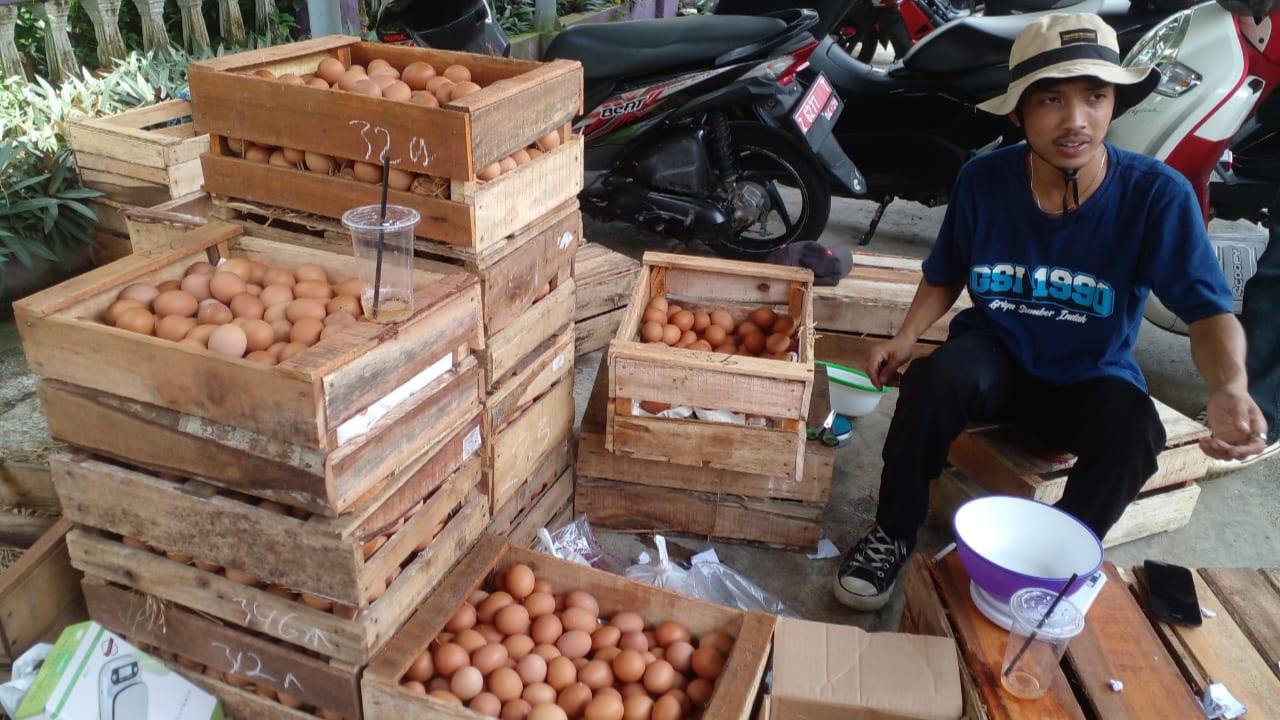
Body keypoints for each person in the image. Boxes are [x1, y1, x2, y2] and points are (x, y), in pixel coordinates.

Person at [832, 13, 1270, 612]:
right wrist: (907, 337)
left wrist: (1230, 385)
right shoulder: (982, 180)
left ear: (1114, 102)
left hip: (1091, 373)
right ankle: (893, 530)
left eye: (1095, 96)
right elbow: (947, 269)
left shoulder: (1155, 195)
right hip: (995, 359)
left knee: (1137, 433)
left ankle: (1052, 559)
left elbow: (1207, 310)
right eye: (1051, 99)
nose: (1075, 121)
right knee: (935, 380)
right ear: (1018, 112)